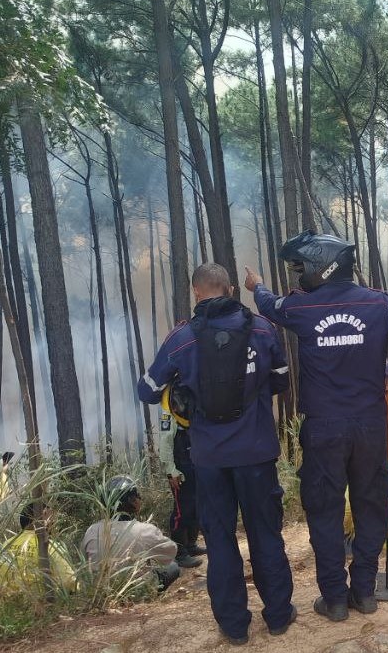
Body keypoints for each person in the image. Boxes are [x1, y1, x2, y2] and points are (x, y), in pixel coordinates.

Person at [245, 231, 388, 623]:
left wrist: (257, 286)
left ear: (321, 266)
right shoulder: (379, 302)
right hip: (370, 425)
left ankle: (336, 598)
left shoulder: (303, 308)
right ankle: (364, 590)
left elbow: (269, 306)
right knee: (371, 504)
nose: (297, 278)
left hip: (324, 428)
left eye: (300, 269)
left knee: (325, 511)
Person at [138, 263, 295, 645]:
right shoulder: (261, 328)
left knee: (221, 540)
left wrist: (180, 382)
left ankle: (234, 626)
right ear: (229, 289)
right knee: (266, 533)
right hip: (257, 453)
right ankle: (277, 616)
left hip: (208, 459)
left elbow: (145, 390)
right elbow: (280, 380)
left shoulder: (182, 338)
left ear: (196, 293)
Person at [81, 476, 180, 592]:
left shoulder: (92, 530)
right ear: (132, 501)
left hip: (101, 592)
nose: (140, 499)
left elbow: (84, 562)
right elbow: (171, 552)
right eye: (137, 496)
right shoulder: (144, 530)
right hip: (138, 590)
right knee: (173, 566)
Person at [158, 384, 204, 568]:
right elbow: (165, 442)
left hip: (194, 462)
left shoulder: (190, 388)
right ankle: (179, 552)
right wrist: (171, 471)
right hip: (179, 468)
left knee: (195, 506)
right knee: (181, 511)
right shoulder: (168, 407)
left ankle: (191, 545)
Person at [0, 502, 76, 594]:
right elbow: (70, 582)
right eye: (50, 518)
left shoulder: (6, 544)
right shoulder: (50, 546)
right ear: (39, 520)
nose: (53, 523)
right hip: (40, 605)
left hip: (5, 605)